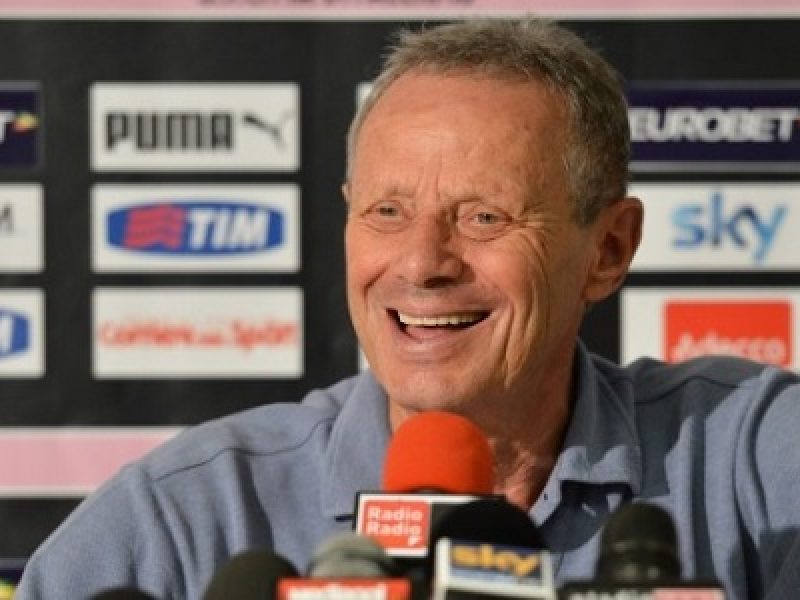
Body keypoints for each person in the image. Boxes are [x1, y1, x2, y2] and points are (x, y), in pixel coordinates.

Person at [16, 18, 800, 600]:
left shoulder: (749, 459)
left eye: (484, 217)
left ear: (609, 249)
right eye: (387, 212)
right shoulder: (182, 520)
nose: (423, 263)